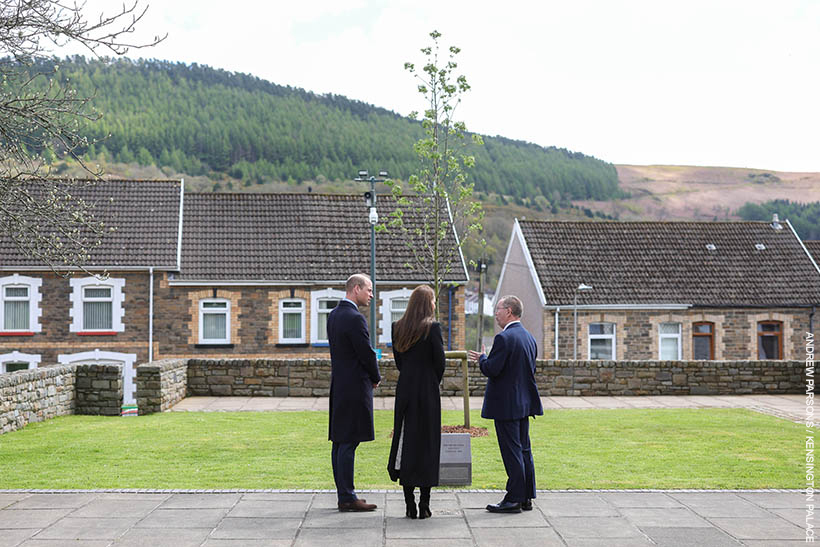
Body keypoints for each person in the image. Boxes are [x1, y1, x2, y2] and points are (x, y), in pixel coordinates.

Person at [468, 295, 542, 514]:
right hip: (524, 404)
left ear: (509, 311)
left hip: (507, 406)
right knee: (524, 450)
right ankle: (527, 496)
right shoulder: (529, 337)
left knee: (512, 453)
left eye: (498, 309)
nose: (496, 313)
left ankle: (513, 500)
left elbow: (492, 369)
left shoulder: (504, 338)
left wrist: (482, 358)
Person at [387, 285, 445, 519]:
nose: (434, 304)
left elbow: (399, 362)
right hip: (427, 391)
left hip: (406, 389)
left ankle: (409, 503)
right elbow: (439, 362)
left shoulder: (397, 327)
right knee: (427, 443)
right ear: (427, 303)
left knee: (406, 442)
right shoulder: (433, 328)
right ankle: (424, 504)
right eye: (432, 300)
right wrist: (431, 381)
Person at [328, 273, 381, 512]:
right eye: (369, 290)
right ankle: (348, 497)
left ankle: (343, 495)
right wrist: (376, 377)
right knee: (348, 441)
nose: (371, 295)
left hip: (339, 385)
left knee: (340, 442)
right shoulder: (355, 318)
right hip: (354, 388)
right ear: (356, 288)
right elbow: (366, 353)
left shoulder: (333, 315)